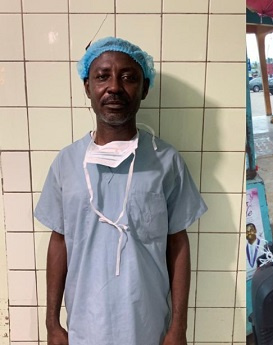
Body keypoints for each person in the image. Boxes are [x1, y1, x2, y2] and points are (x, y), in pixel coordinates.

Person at [34, 37, 207, 345]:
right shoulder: (66, 164)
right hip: (85, 328)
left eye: (129, 77)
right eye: (103, 76)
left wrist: (178, 327)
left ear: (144, 88)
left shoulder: (166, 162)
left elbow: (177, 243)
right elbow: (59, 240)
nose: (115, 87)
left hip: (149, 326)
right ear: (88, 87)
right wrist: (52, 323)